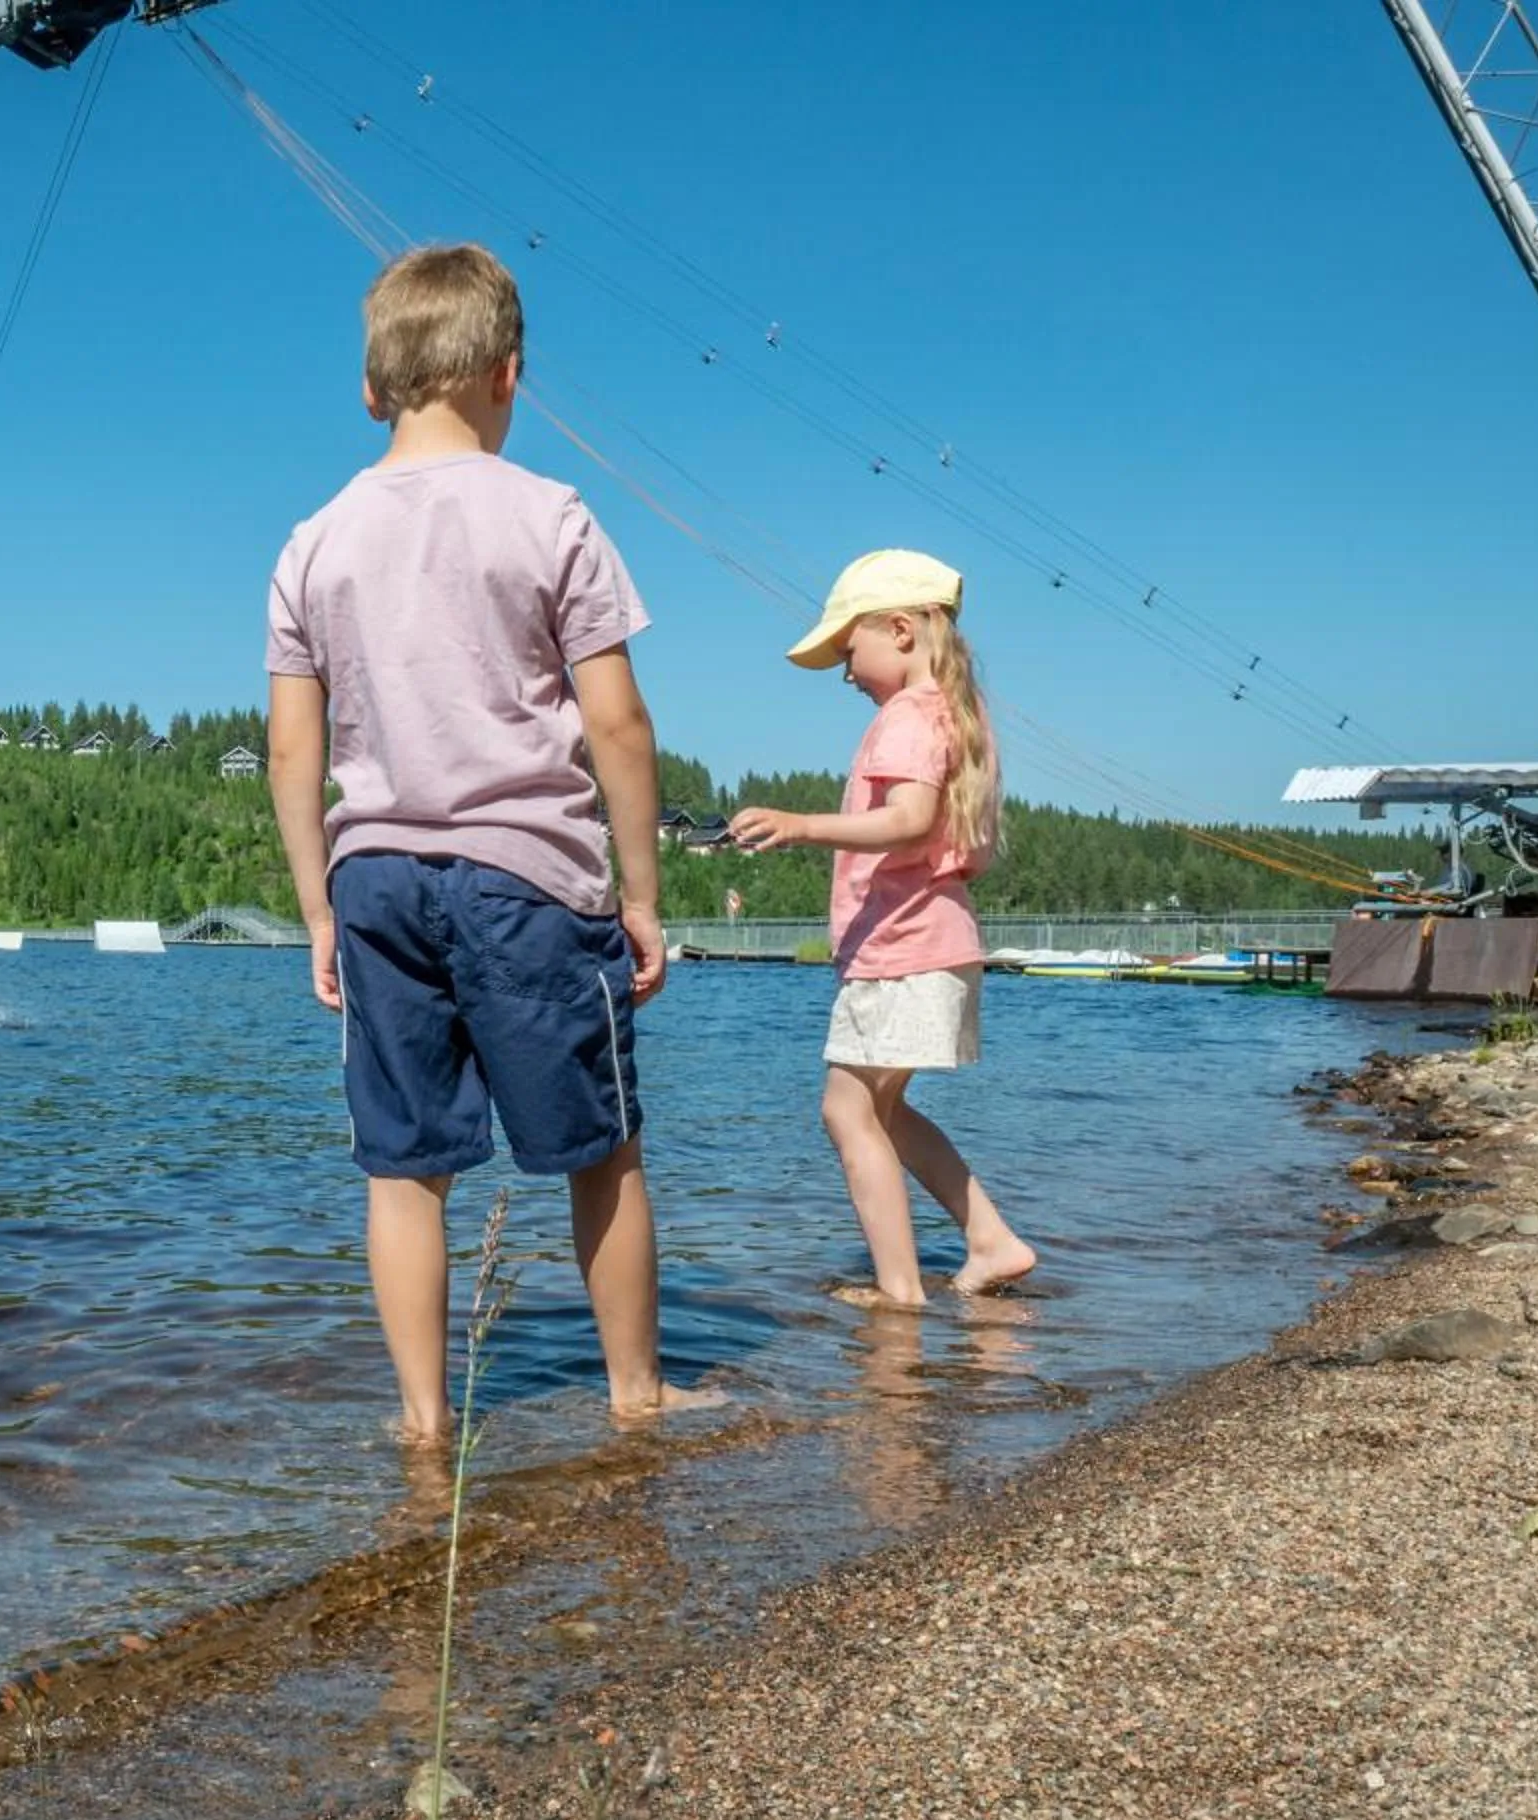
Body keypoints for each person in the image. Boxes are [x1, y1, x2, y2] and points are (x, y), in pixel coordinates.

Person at [264, 241, 716, 1439]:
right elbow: (615, 720)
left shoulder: (312, 540)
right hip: (525, 877)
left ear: (371, 389)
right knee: (600, 1149)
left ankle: (421, 1420)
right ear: (510, 375)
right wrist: (644, 894)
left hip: (373, 882)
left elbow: (292, 755)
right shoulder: (550, 514)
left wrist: (318, 907)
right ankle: (634, 1392)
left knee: (404, 1166)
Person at [726, 549, 1037, 1308]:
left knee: (845, 1109)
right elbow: (967, 844)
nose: (844, 671)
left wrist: (802, 825)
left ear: (900, 630)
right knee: (883, 1111)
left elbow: (909, 822)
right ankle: (991, 1240)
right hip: (939, 942)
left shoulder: (907, 716)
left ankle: (901, 1292)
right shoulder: (961, 715)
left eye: (847, 650)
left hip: (903, 949)